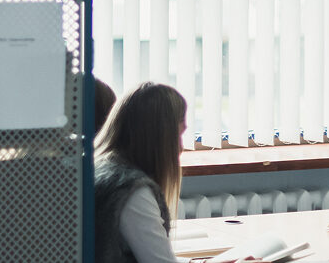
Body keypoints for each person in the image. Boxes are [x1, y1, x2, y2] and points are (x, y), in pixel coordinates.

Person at [94, 82, 260, 263]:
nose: (181, 147)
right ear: (159, 138)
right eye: (178, 135)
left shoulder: (101, 169)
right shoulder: (133, 192)